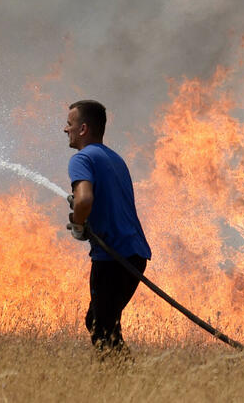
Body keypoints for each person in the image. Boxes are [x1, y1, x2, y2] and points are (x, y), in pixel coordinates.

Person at [64, 99, 152, 357]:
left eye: (69, 124)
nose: (65, 129)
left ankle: (126, 382)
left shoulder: (80, 159)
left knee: (101, 327)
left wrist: (78, 226)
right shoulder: (114, 159)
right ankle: (122, 380)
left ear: (83, 129)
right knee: (100, 322)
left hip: (113, 257)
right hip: (134, 256)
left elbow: (84, 199)